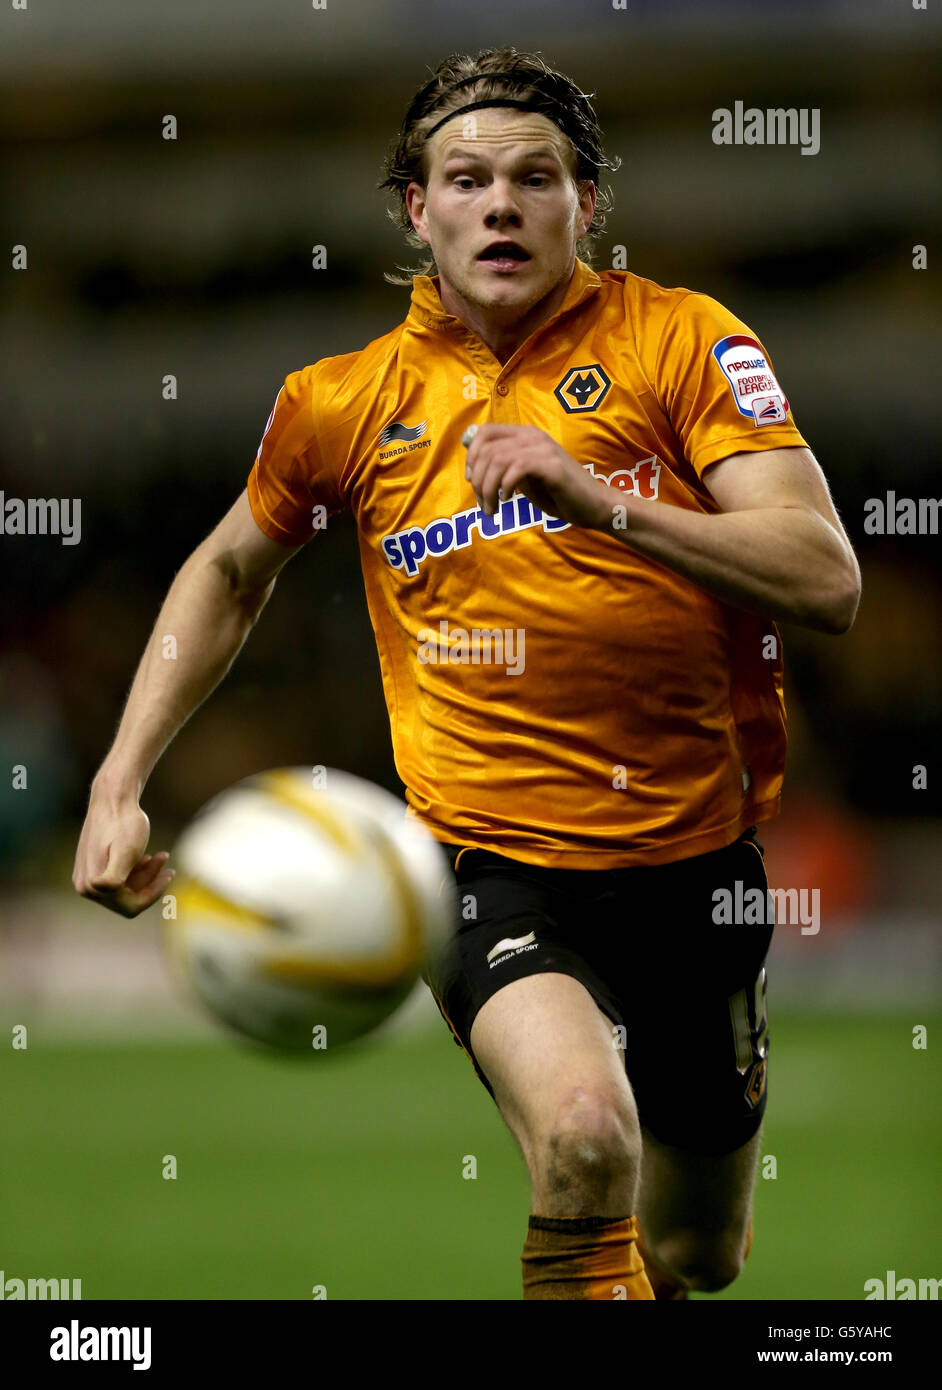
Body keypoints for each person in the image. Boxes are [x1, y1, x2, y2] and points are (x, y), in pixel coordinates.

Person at [73, 46, 861, 1301]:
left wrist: (599, 499)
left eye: (536, 178)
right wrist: (121, 778)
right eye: (467, 178)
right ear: (416, 208)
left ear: (585, 204)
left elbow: (824, 577)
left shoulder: (683, 340)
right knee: (586, 1140)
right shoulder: (343, 403)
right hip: (485, 865)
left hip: (694, 865)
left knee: (694, 1255)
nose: (502, 204)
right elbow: (226, 573)